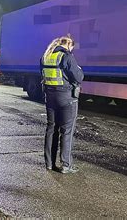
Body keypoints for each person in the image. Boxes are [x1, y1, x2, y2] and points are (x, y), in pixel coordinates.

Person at [41, 35, 84, 174]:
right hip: (67, 99)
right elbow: (78, 77)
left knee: (51, 129)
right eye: (71, 48)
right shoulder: (66, 56)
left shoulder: (46, 56)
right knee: (66, 131)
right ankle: (66, 165)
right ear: (68, 45)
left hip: (50, 98)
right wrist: (78, 68)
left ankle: (49, 163)